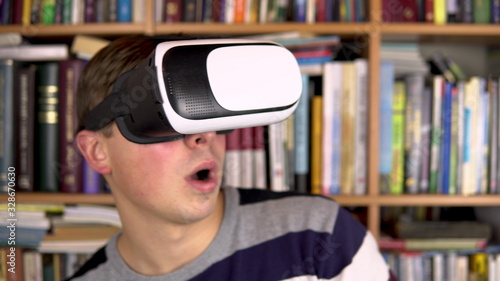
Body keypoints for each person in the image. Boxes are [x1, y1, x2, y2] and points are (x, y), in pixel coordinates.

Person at [67, 35, 395, 281]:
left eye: (209, 115)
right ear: (98, 152)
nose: (203, 136)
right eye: (163, 119)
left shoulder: (319, 237)